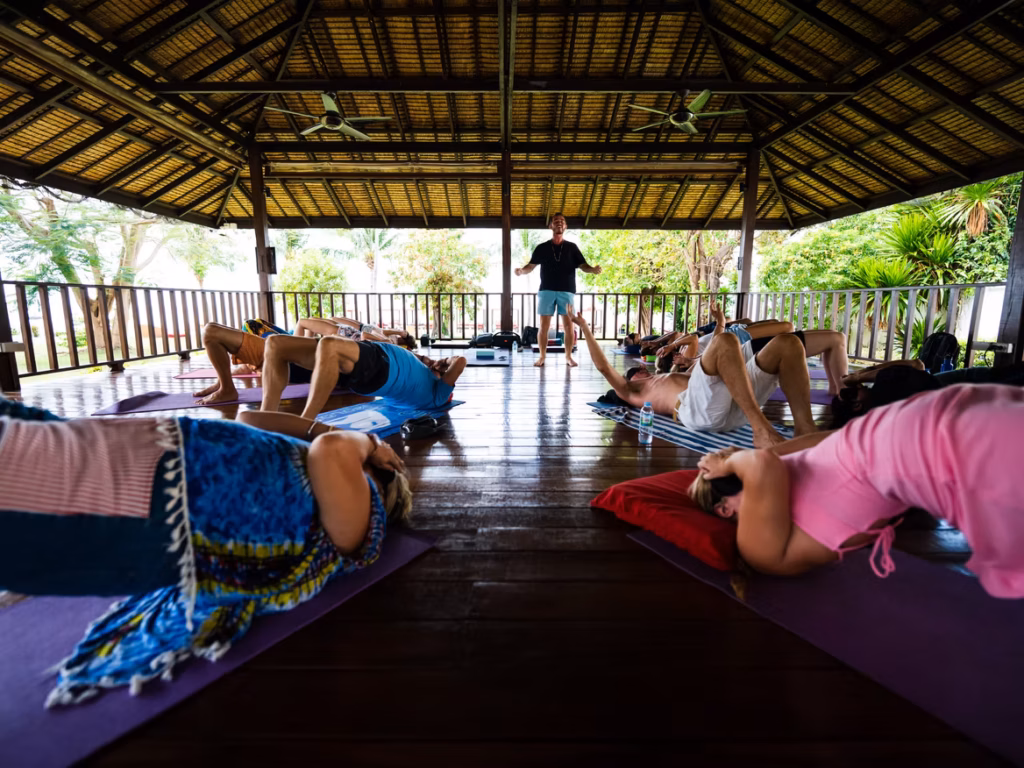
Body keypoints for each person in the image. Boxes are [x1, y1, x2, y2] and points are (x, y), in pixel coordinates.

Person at [0, 397, 411, 705]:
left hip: (154, 494)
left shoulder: (365, 524)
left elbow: (333, 450)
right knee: (25, 437)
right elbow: (250, 417)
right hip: (152, 453)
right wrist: (321, 428)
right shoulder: (322, 463)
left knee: (24, 474)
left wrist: (371, 443)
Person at [688, 384, 1024, 599]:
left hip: (927, 417)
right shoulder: (758, 550)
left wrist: (731, 461)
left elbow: (825, 440)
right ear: (724, 509)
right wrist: (727, 466)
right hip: (938, 447)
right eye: (730, 479)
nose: (736, 469)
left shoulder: (778, 476)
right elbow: (762, 464)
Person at [572, 306, 817, 447]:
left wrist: (719, 322)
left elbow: (719, 356)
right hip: (698, 410)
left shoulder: (671, 376)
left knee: (788, 343)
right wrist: (583, 326)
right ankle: (760, 427)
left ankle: (805, 429)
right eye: (639, 371)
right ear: (633, 378)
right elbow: (604, 367)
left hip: (731, 404)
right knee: (725, 340)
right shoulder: (632, 391)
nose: (643, 370)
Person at [259, 334, 467, 419]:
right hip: (373, 362)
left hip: (383, 366)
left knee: (329, 344)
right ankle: (265, 419)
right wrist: (427, 360)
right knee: (275, 344)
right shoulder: (422, 371)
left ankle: (306, 420)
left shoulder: (437, 396)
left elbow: (460, 362)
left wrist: (445, 362)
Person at [514, 213, 602, 367]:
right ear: (551, 226)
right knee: (544, 326)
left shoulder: (572, 247)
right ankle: (542, 357)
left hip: (566, 291)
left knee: (569, 326)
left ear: (565, 226)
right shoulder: (542, 247)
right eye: (556, 221)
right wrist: (521, 271)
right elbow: (531, 266)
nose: (559, 223)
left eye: (562, 221)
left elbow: (583, 265)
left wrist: (593, 269)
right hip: (546, 290)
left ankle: (568, 357)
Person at [831, 358, 1024, 427]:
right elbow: (916, 364)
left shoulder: (883, 415)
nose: (856, 388)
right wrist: (860, 376)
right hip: (973, 382)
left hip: (967, 394)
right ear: (856, 405)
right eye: (851, 392)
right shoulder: (883, 390)